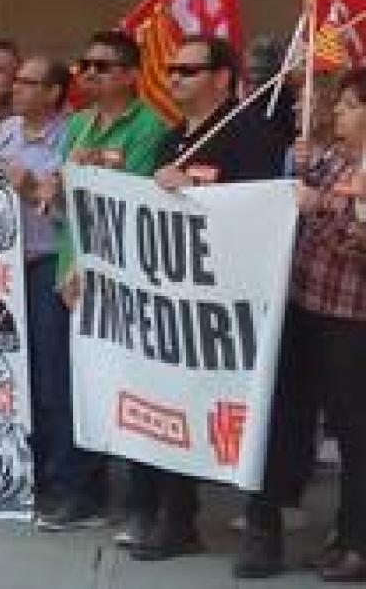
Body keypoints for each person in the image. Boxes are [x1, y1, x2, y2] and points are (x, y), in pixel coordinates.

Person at [125, 36, 285, 561]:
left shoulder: (250, 133)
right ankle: (178, 518)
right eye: (171, 70)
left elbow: (260, 207)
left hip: (238, 302)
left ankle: (263, 530)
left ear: (221, 78)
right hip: (182, 306)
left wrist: (191, 190)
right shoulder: (173, 138)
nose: (174, 78)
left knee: (249, 412)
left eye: (188, 71)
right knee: (178, 402)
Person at [236, 68, 366, 582]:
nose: (339, 112)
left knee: (357, 433)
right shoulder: (333, 158)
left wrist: (326, 206)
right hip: (307, 304)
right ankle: (340, 536)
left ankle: (358, 541)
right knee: (301, 413)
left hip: (352, 316)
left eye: (351, 105)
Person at [36, 29, 169, 532]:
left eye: (102, 66)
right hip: (68, 266)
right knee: (65, 388)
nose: (89, 73)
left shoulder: (148, 127)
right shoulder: (77, 125)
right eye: (84, 65)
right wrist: (48, 189)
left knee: (128, 389)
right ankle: (79, 492)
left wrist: (88, 265)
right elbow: (69, 193)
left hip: (116, 276)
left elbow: (124, 200)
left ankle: (140, 503)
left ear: (132, 76)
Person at [0, 55, 74, 516]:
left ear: (54, 93)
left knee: (51, 372)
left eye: (29, 82)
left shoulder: (71, 135)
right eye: (15, 81)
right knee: (13, 372)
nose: (15, 88)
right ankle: (21, 467)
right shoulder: (5, 131)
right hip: (4, 263)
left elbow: (71, 206)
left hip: (49, 260)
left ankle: (60, 478)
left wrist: (32, 186)